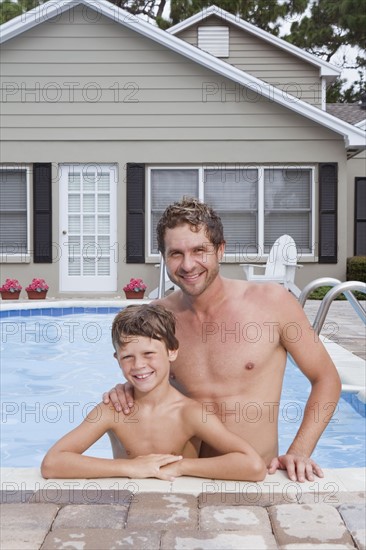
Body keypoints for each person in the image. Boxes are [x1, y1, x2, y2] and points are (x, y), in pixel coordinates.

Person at [103, 197, 342, 483]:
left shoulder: (273, 304)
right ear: (164, 258)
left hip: (255, 475)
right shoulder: (157, 319)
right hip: (181, 478)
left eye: (199, 250)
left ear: (220, 250)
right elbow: (145, 375)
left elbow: (326, 378)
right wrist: (126, 389)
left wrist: (300, 451)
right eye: (176, 253)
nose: (188, 264)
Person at [41, 304, 266, 481]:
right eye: (128, 356)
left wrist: (178, 466)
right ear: (117, 359)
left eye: (149, 353)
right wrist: (130, 467)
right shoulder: (114, 410)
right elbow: (53, 463)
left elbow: (253, 466)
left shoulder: (189, 413)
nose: (139, 365)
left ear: (172, 352)